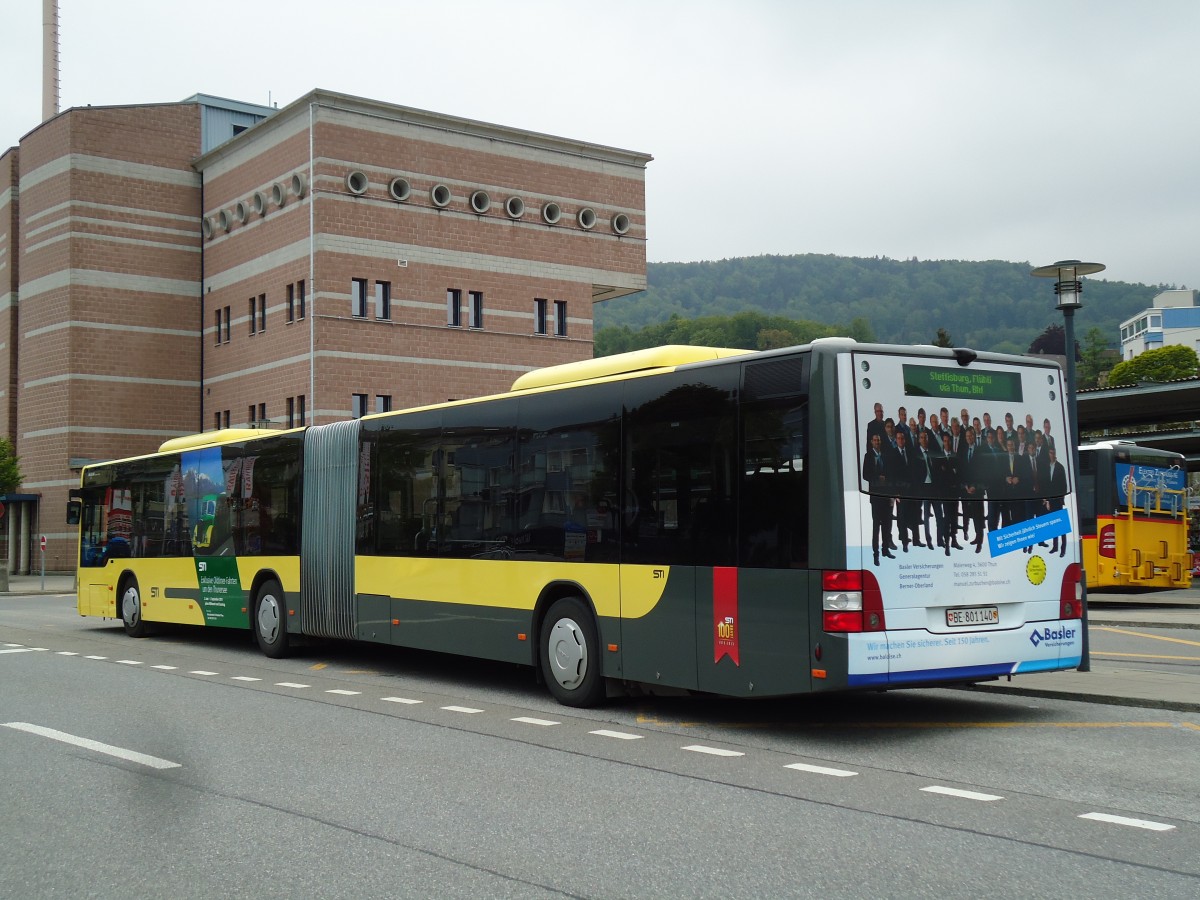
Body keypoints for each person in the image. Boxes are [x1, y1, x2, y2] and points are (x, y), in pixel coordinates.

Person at [863, 433, 895, 565]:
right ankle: (875, 554)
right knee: (876, 527)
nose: (877, 442)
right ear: (871, 442)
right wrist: (877, 478)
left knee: (887, 526)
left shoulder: (885, 456)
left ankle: (885, 550)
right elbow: (865, 475)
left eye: (878, 440)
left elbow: (891, 474)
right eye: (875, 440)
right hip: (876, 497)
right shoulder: (868, 456)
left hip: (886, 496)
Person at [934, 433, 963, 555]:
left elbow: (958, 474)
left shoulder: (955, 457)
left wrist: (949, 472)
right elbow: (939, 477)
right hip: (945, 494)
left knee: (954, 517)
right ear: (943, 443)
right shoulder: (938, 458)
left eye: (948, 441)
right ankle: (947, 543)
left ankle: (954, 540)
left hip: (954, 492)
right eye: (944, 441)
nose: (946, 443)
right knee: (947, 518)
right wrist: (950, 472)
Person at [959, 427, 987, 551]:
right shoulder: (963, 451)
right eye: (967, 436)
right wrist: (966, 486)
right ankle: (974, 536)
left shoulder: (981, 450)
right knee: (968, 514)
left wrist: (975, 486)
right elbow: (962, 470)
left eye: (971, 435)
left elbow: (983, 471)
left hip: (977, 489)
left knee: (978, 516)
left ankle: (980, 541)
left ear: (974, 436)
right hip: (966, 489)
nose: (969, 438)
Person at [1045, 447, 1069, 557]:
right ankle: (1055, 547)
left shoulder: (1060, 467)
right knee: (1054, 525)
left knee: (1061, 526)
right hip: (1050, 500)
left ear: (1055, 454)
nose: (1051, 455)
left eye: (1053, 453)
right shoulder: (1046, 467)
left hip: (1058, 500)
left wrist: (1061, 498)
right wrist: (1047, 500)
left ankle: (1063, 549)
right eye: (1050, 453)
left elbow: (1064, 485)